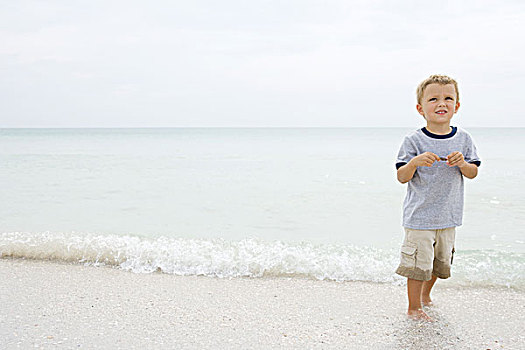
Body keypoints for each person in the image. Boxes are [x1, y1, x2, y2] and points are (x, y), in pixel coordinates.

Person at [395, 74, 481, 321]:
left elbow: (473, 172)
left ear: (457, 106)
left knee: (439, 263)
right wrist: (415, 161)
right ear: (421, 108)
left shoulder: (463, 139)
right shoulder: (414, 140)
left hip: (448, 215)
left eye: (447, 98)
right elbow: (402, 176)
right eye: (433, 99)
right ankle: (413, 307)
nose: (441, 103)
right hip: (420, 217)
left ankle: (425, 296)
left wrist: (463, 163)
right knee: (417, 265)